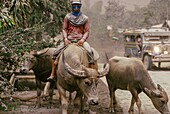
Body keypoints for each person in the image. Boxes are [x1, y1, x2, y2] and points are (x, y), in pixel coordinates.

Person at [47, 0, 95, 81]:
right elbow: (64, 29)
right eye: (74, 5)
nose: (76, 7)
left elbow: (86, 31)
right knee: (55, 53)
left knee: (90, 52)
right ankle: (53, 74)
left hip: (80, 40)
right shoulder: (67, 17)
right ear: (72, 6)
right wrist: (65, 39)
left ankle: (91, 74)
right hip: (69, 40)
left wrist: (82, 40)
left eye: (77, 5)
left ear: (80, 6)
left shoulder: (85, 18)